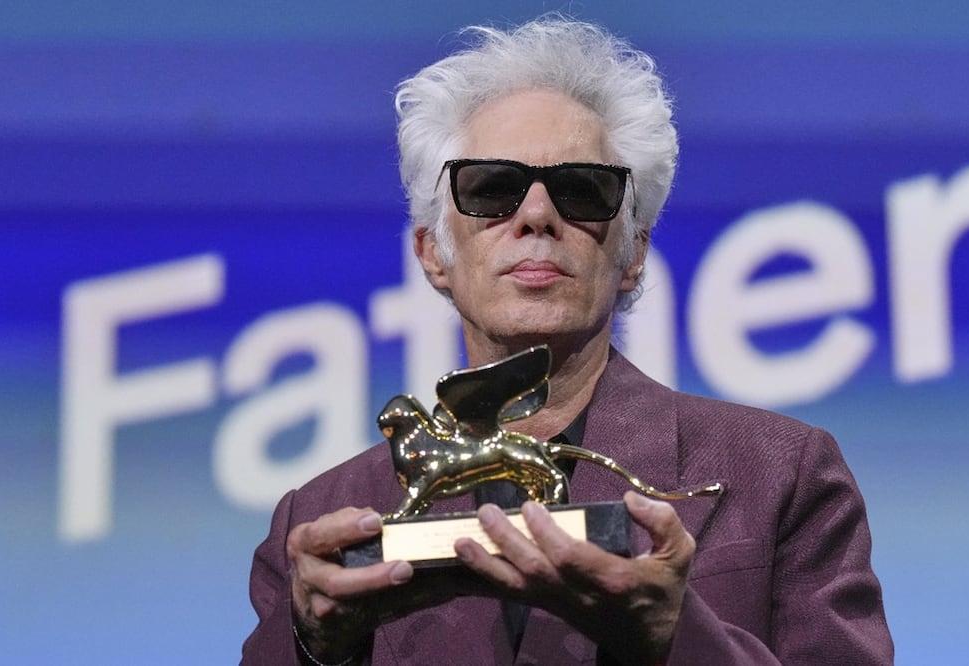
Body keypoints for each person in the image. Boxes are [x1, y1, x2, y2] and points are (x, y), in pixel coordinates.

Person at [241, 16, 893, 665]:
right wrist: (316, 646)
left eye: (582, 190)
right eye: (492, 188)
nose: (536, 215)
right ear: (432, 253)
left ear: (633, 253)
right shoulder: (320, 518)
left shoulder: (780, 473)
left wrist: (673, 636)